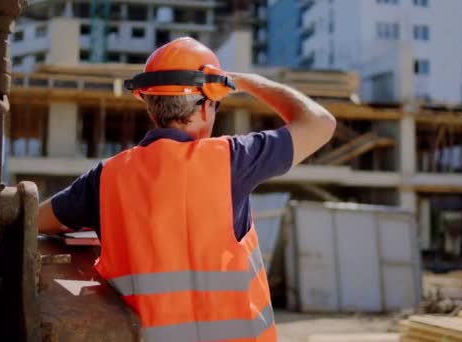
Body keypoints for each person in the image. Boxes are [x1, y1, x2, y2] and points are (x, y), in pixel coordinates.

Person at [38, 37, 336, 341]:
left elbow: (36, 222)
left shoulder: (105, 178)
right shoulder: (232, 159)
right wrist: (249, 82)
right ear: (207, 107)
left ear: (151, 107)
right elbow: (320, 123)